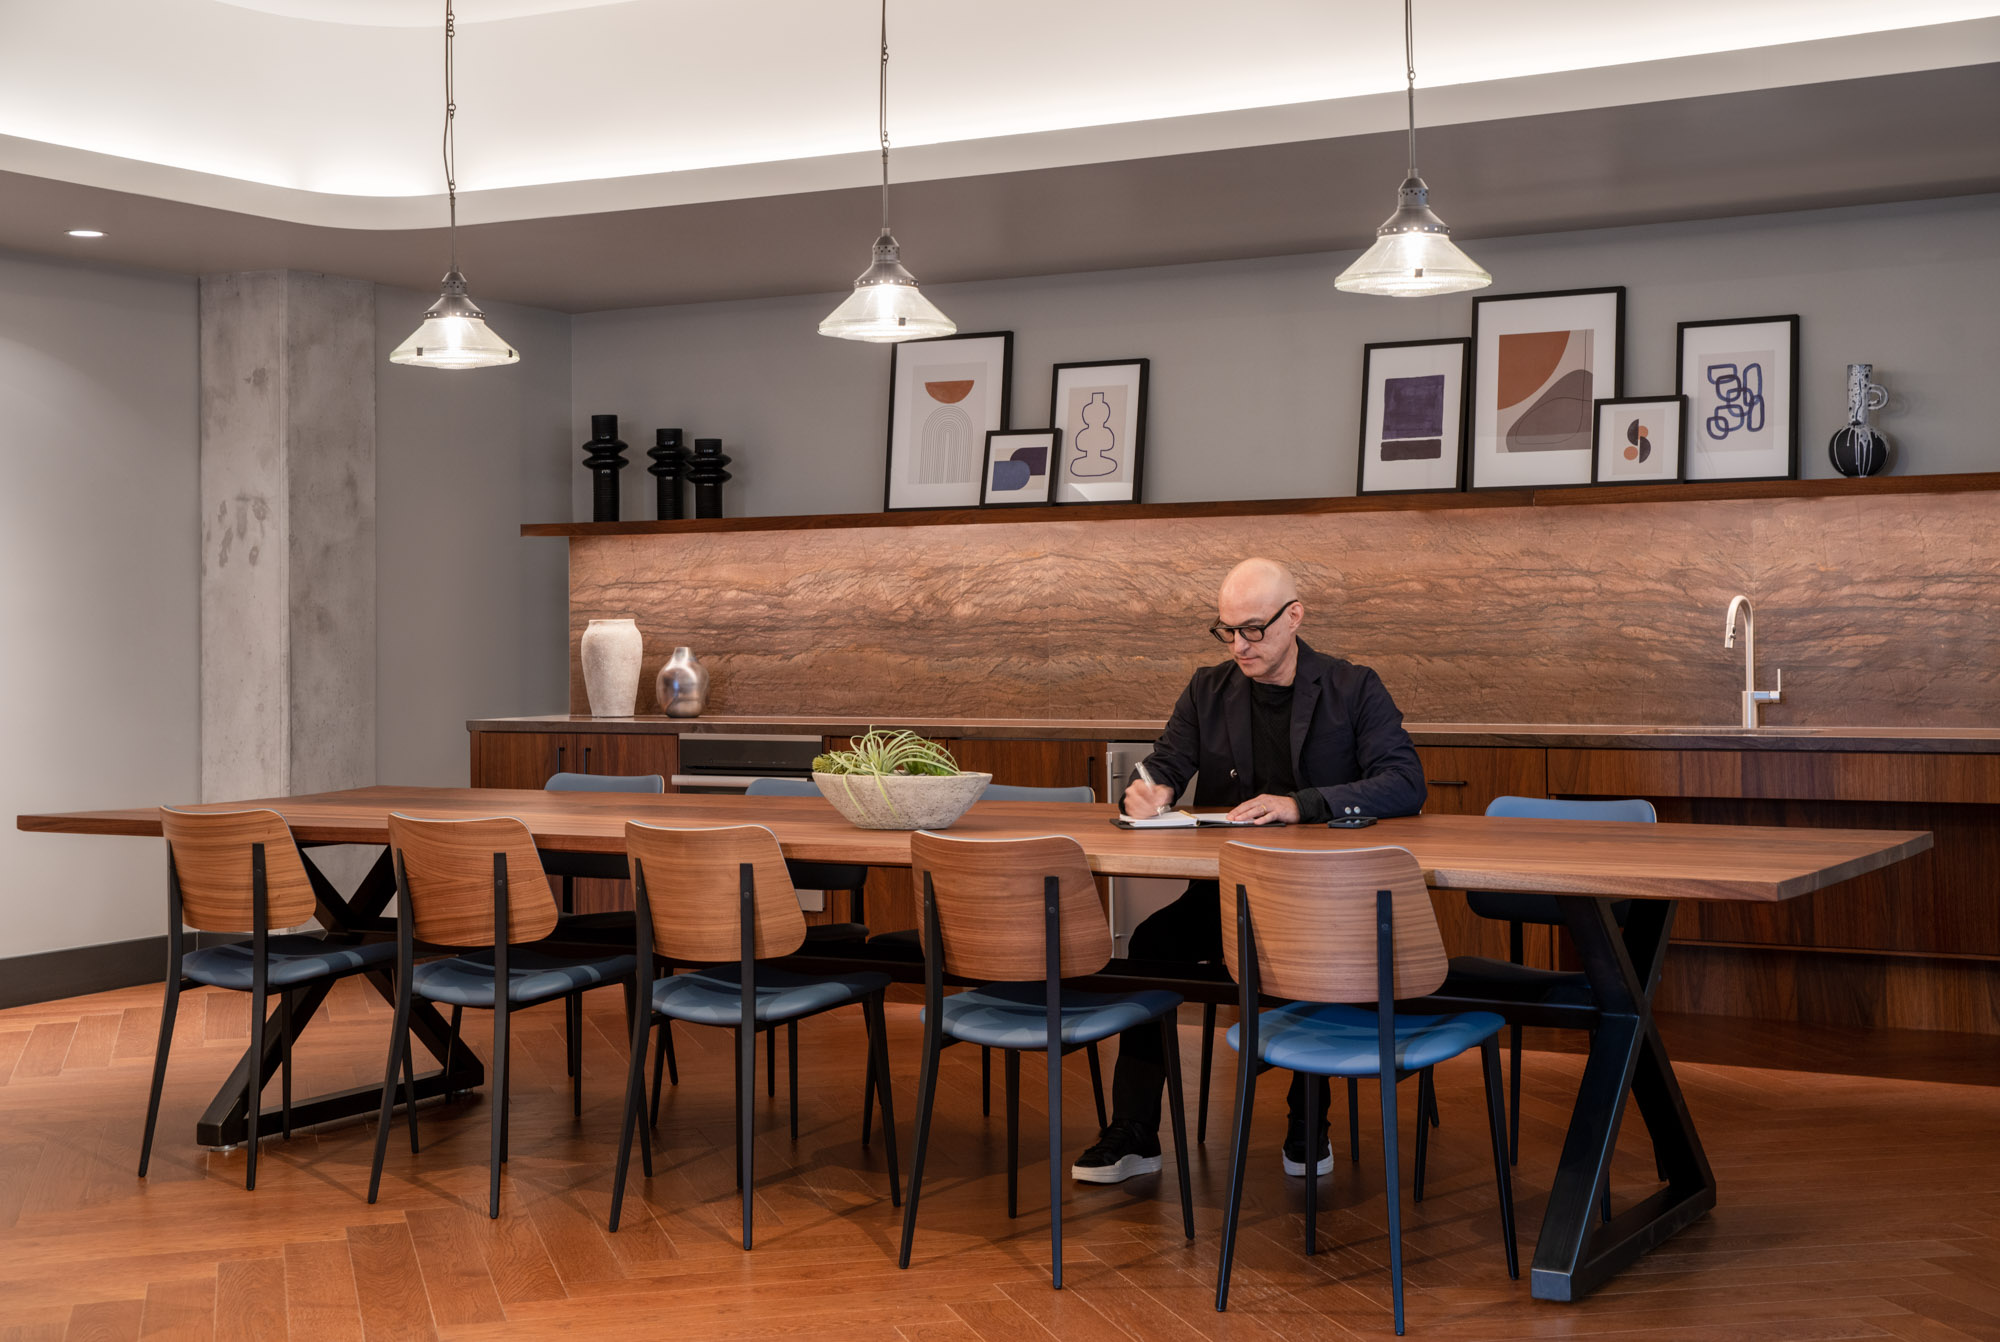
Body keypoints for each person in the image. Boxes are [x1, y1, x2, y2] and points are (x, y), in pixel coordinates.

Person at [1071, 557, 1428, 1183]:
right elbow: (1164, 765)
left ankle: (1306, 1124)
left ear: (1295, 618)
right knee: (1153, 945)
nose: (1238, 645)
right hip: (1228, 898)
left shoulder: (1353, 686)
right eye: (1226, 630)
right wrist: (1147, 790)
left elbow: (1404, 783)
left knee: (1305, 963)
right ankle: (1134, 1133)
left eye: (1253, 630)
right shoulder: (1207, 689)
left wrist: (1300, 805)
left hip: (1322, 906)